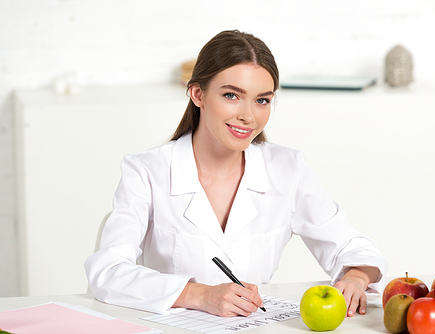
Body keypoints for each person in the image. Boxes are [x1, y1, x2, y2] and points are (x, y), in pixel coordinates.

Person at [84, 30, 389, 318]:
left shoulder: (287, 168)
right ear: (198, 94)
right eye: (231, 95)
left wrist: (356, 278)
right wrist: (199, 294)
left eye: (262, 100)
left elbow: (353, 247)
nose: (248, 115)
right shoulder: (147, 171)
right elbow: (107, 271)